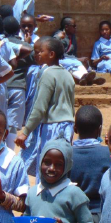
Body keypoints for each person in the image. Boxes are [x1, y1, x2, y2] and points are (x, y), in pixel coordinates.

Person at [15, 37, 75, 176]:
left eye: (41, 51)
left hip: (51, 126)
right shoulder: (67, 74)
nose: (37, 55)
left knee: (46, 165)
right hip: (67, 125)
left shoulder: (47, 74)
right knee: (60, 165)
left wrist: (25, 132)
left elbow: (40, 107)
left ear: (51, 54)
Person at [67, 106, 111, 223]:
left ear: (75, 129)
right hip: (103, 215)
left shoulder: (66, 155)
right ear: (100, 128)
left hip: (78, 217)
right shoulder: (108, 154)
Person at [2, 16, 36, 148]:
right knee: (12, 125)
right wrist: (27, 43)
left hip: (0, 87)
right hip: (17, 87)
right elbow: (34, 58)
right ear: (18, 30)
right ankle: (9, 152)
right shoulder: (24, 47)